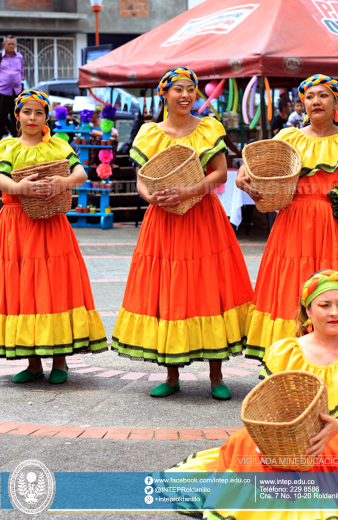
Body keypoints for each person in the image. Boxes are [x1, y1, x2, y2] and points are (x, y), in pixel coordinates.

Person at [164, 270, 338, 519]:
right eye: (325, 305)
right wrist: (269, 438)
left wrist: (335, 427)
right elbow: (272, 403)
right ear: (308, 311)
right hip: (292, 433)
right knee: (246, 443)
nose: (335, 312)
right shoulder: (285, 351)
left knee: (320, 453)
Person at [112, 66, 253, 399]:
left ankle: (217, 375)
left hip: (203, 217)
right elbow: (142, 180)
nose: (186, 95)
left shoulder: (208, 128)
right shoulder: (149, 133)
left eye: (191, 89)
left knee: (209, 286)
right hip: (163, 220)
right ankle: (171, 374)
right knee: (168, 289)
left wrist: (190, 190)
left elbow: (220, 174)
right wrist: (152, 198)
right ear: (165, 94)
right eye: (178, 89)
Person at [236, 74, 338, 354]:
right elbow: (253, 163)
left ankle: (336, 359)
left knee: (332, 285)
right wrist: (241, 179)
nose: (316, 101)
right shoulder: (288, 136)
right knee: (290, 284)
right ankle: (290, 357)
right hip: (292, 223)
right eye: (309, 96)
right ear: (303, 103)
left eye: (324, 95)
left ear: (336, 101)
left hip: (333, 224)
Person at [0, 90, 107, 384]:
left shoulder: (58, 145)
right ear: (17, 115)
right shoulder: (8, 147)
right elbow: (1, 178)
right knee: (25, 289)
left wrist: (64, 182)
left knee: (55, 284)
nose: (32, 118)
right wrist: (20, 188)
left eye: (38, 112)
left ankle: (60, 360)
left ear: (46, 117)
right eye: (26, 112)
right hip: (18, 227)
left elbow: (81, 174)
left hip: (52, 226)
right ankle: (33, 362)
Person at [0, 35, 24, 138]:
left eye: (13, 44)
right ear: (4, 45)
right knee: (1, 118)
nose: (11, 46)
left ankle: (18, 140)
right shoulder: (0, 56)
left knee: (17, 118)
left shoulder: (19, 57)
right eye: (9, 44)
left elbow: (22, 72)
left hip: (17, 92)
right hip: (2, 92)